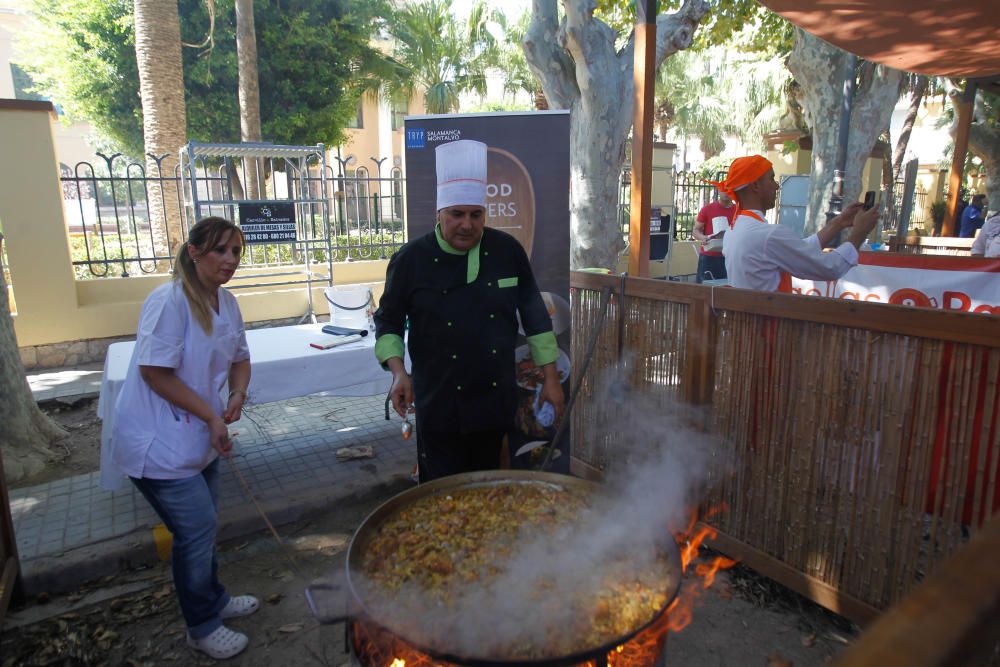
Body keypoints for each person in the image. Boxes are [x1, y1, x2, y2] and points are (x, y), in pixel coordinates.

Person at [374, 139, 565, 483]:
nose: (467, 224)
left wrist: (551, 378)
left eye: (476, 215)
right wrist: (399, 373)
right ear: (439, 213)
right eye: (457, 214)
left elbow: (536, 318)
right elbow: (387, 321)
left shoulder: (507, 251)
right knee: (440, 491)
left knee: (489, 485)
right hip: (438, 401)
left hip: (494, 400)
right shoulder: (410, 260)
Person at [110, 217, 258, 660]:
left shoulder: (227, 302)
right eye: (220, 251)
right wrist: (211, 415)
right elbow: (154, 372)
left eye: (236, 252)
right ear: (194, 252)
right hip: (155, 440)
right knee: (195, 530)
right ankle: (201, 624)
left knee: (204, 525)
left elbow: (241, 359)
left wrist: (236, 393)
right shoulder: (168, 301)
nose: (230, 260)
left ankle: (212, 598)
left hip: (197, 434)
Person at [712, 156, 880, 292]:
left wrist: (838, 223)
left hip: (748, 326)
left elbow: (797, 249)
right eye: (771, 179)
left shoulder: (735, 229)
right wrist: (859, 233)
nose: (776, 186)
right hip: (768, 329)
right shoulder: (767, 235)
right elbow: (829, 267)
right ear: (755, 186)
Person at [691, 188, 736, 282]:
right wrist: (703, 237)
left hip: (730, 256)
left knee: (727, 290)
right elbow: (695, 231)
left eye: (728, 189)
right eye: (723, 189)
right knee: (704, 290)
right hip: (709, 256)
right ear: (719, 191)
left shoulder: (739, 211)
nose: (726, 192)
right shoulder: (707, 209)